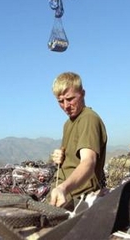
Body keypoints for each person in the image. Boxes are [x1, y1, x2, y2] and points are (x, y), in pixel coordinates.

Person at [49, 72, 107, 209]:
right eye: (60, 101)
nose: (65, 106)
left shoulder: (88, 118)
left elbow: (88, 162)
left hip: (76, 196)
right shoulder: (68, 124)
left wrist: (63, 188)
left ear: (83, 93)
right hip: (62, 193)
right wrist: (59, 157)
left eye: (70, 99)